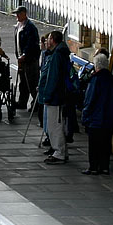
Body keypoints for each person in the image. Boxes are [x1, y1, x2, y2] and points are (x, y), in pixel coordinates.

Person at [36, 31, 72, 164]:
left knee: (54, 125)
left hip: (55, 97)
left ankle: (59, 152)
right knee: (56, 124)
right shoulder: (57, 53)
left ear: (53, 40)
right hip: (57, 95)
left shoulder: (57, 56)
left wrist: (47, 94)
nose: (46, 40)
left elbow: (53, 77)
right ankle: (61, 151)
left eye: (49, 38)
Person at [80, 53, 113, 175]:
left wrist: (85, 116)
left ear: (96, 66)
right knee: (106, 143)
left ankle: (94, 167)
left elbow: (89, 100)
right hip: (109, 119)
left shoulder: (95, 80)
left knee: (94, 144)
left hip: (95, 119)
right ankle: (104, 166)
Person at [14, 7, 40, 111]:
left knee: (32, 82)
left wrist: (25, 54)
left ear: (24, 13)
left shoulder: (30, 27)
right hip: (21, 59)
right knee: (23, 82)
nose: (17, 16)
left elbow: (32, 44)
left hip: (30, 59)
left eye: (18, 14)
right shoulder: (18, 26)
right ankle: (22, 102)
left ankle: (36, 103)